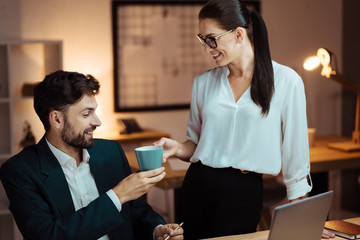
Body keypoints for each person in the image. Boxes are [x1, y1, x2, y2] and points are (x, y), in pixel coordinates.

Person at [154, 0, 334, 239]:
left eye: (212, 39)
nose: (207, 49)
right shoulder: (203, 83)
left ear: (238, 34)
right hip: (197, 186)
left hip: (243, 193)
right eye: (203, 40)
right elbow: (196, 144)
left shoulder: (286, 81)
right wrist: (176, 147)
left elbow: (296, 158)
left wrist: (303, 221)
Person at [0, 70, 184, 240]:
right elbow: (47, 235)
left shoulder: (111, 152)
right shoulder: (19, 171)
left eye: (94, 111)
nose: (98, 122)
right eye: (87, 114)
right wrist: (116, 197)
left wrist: (156, 229)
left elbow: (137, 212)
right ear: (57, 119)